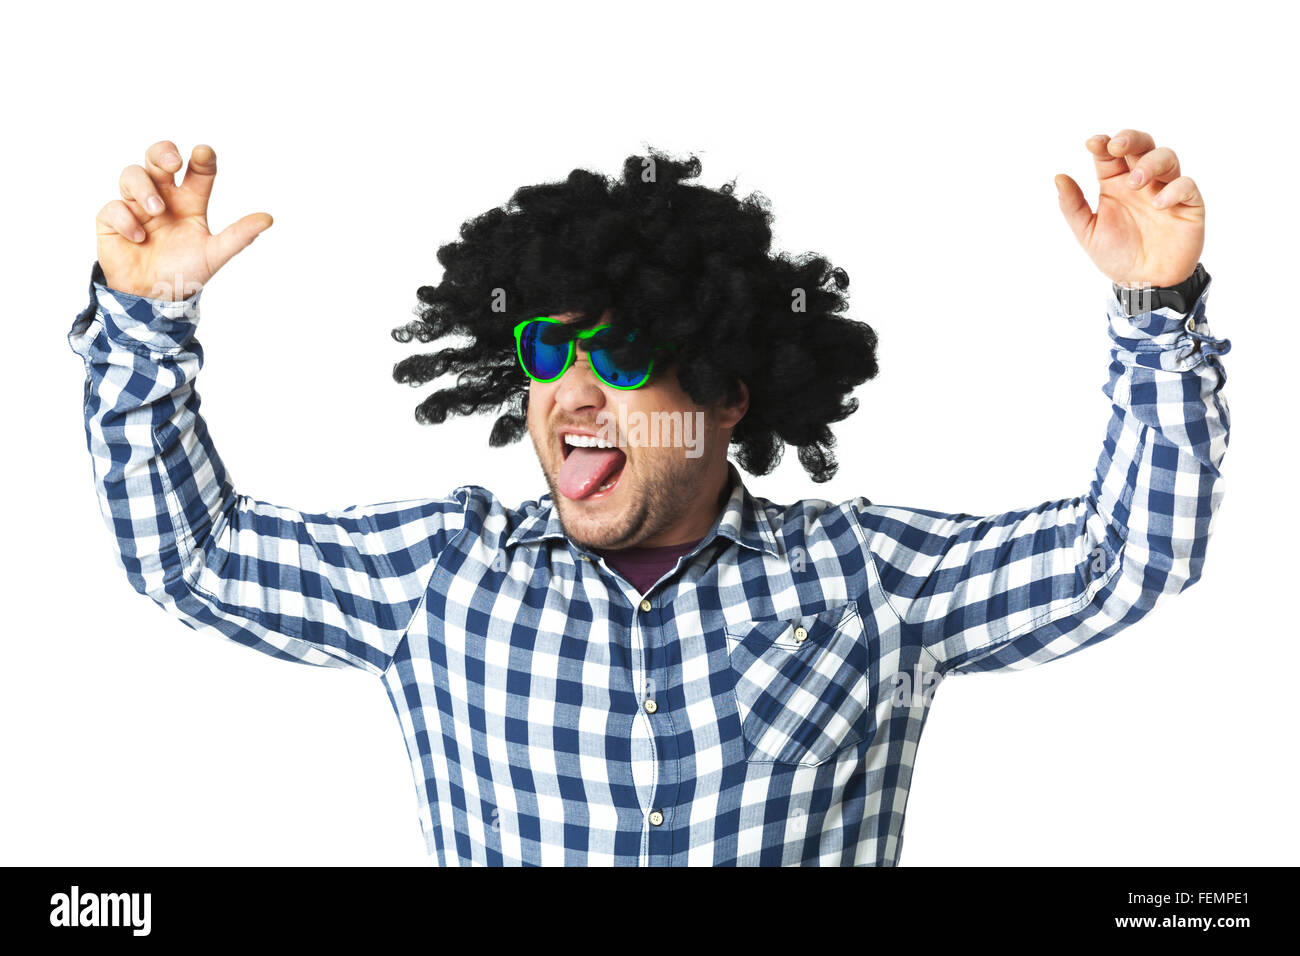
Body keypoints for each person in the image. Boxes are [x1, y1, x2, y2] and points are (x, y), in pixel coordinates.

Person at [68, 133, 1231, 865]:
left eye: (620, 361)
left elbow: (1126, 552)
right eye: (544, 352)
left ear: (722, 397)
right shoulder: (440, 574)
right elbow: (194, 554)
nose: (572, 395)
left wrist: (1155, 314)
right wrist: (143, 324)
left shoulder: (870, 580)